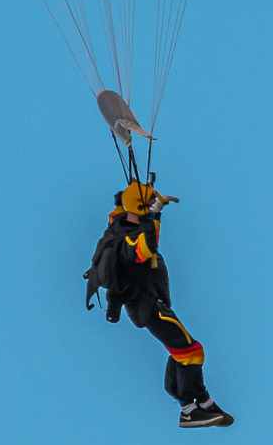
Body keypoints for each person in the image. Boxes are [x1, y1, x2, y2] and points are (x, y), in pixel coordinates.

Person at [85, 181, 234, 428]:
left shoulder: (117, 223)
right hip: (148, 308)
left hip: (152, 305)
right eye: (150, 203)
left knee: (182, 350)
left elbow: (121, 208)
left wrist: (138, 193)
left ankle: (205, 403)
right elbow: (146, 248)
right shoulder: (129, 240)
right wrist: (154, 216)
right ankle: (188, 410)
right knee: (192, 352)